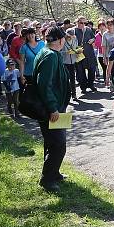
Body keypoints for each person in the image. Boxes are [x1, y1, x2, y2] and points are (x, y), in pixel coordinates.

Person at [33, 26, 71, 192]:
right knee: (58, 145)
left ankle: (53, 173)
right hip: (51, 109)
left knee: (51, 142)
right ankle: (47, 180)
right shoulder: (49, 56)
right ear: (61, 40)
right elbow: (44, 84)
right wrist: (53, 108)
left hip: (55, 106)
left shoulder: (48, 52)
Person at [69, 17, 97, 94]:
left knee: (92, 69)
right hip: (79, 53)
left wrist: (92, 40)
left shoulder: (88, 29)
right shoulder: (73, 30)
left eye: (85, 23)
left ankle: (91, 84)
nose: (83, 24)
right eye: (81, 23)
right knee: (80, 72)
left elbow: (93, 37)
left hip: (89, 52)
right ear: (77, 22)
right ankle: (83, 87)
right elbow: (69, 42)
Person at [102, 18, 114, 96]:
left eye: (111, 25)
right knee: (111, 71)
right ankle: (111, 85)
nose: (109, 27)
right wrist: (104, 57)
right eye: (108, 25)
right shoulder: (105, 34)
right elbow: (104, 46)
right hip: (109, 55)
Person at [61, 29, 79, 101]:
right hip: (65, 62)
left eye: (72, 35)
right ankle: (65, 95)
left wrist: (78, 51)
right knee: (65, 79)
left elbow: (76, 47)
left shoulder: (75, 39)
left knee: (72, 78)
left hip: (73, 61)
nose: (71, 37)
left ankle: (74, 94)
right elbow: (59, 51)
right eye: (69, 35)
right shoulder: (62, 40)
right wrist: (66, 52)